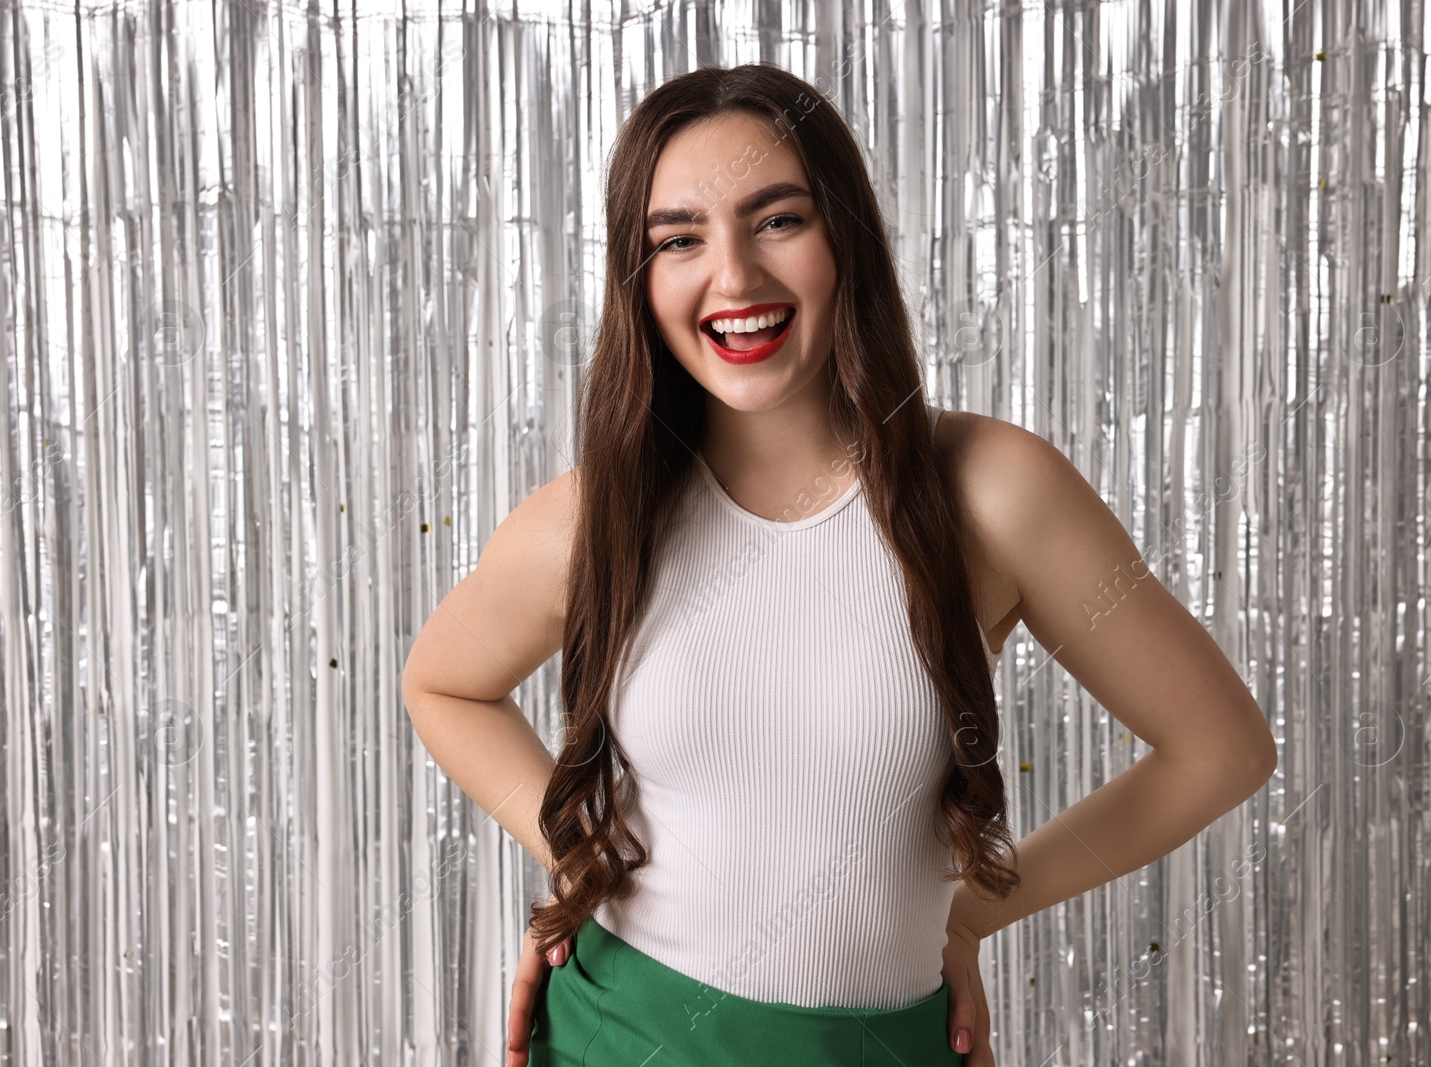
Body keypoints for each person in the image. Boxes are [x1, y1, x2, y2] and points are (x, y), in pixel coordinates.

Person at [400, 62, 1277, 1067]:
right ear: (639, 280)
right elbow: (441, 682)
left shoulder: (994, 489)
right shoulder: (598, 514)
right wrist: (580, 866)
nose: (732, 277)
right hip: (622, 1032)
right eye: (678, 239)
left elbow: (1220, 747)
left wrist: (976, 912)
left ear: (845, 239)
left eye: (777, 220)